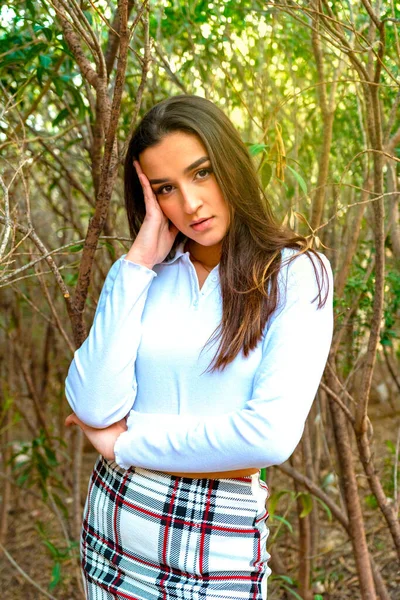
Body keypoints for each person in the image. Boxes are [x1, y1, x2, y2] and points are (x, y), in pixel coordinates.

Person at [64, 94, 334, 600]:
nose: (190, 204)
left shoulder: (297, 273)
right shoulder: (147, 276)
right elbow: (94, 402)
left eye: (202, 173)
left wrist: (124, 444)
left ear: (230, 164)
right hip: (115, 520)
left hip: (216, 539)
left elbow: (269, 436)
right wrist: (139, 261)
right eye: (166, 188)